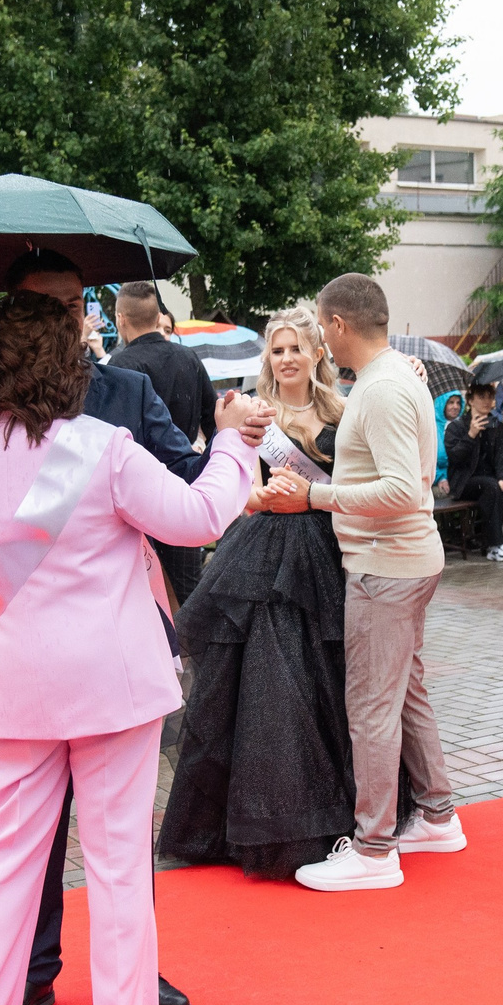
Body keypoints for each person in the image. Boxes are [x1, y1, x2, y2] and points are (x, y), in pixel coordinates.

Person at [0, 291, 259, 1005]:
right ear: (71, 364)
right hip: (112, 685)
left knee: (2, 865)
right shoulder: (106, 448)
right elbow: (199, 516)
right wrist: (232, 441)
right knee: (119, 861)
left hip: (12, 690)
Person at [0, 249, 232, 1005]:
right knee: (31, 831)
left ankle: (132, 970)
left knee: (120, 829)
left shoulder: (126, 391)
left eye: (75, 304)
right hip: (22, 646)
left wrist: (234, 450)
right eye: (46, 305)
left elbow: (185, 475)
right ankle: (29, 971)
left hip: (113, 642)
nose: (66, 318)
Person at [257, 273, 462, 892]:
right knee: (405, 693)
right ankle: (437, 815)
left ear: (339, 325)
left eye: (321, 327)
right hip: (398, 561)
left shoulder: (383, 388)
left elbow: (402, 489)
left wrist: (315, 496)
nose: (319, 338)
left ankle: (374, 849)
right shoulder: (386, 379)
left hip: (387, 565)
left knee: (372, 706)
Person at [159, 307, 357, 878]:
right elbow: (231, 487)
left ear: (317, 353)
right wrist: (259, 499)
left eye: (296, 348)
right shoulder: (252, 414)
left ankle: (338, 811)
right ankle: (258, 821)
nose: (287, 358)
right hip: (264, 555)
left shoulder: (344, 411)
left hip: (325, 553)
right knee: (265, 684)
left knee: (329, 680)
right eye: (278, 350)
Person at [106, 281, 219, 603]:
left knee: (140, 595)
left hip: (134, 498)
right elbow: (214, 421)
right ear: (158, 318)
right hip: (183, 485)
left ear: (120, 319)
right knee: (186, 592)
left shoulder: (119, 366)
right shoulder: (188, 358)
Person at [445, 383, 503, 561]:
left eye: (490, 397)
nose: (487, 401)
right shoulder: (456, 427)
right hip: (464, 482)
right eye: (481, 397)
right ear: (470, 400)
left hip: (492, 481)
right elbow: (455, 457)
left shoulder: (498, 427)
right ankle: (495, 545)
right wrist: (471, 435)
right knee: (490, 486)